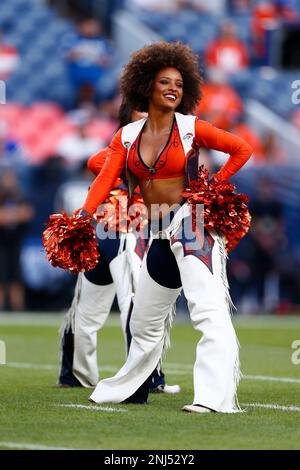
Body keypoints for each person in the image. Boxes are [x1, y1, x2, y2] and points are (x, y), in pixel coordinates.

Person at [69, 41, 253, 413]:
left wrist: (213, 186)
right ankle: (132, 387)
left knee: (207, 310)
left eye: (180, 85)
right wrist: (82, 220)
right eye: (165, 81)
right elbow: (104, 178)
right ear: (146, 86)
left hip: (190, 224)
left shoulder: (191, 128)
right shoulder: (126, 136)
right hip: (156, 232)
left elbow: (241, 148)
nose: (173, 89)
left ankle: (213, 399)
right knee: (144, 320)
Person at [58, 101, 180, 396]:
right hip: (115, 236)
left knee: (137, 309)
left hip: (132, 235)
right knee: (93, 310)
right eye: (141, 120)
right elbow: (94, 162)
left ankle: (148, 376)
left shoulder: (160, 154)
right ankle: (78, 373)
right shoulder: (119, 152)